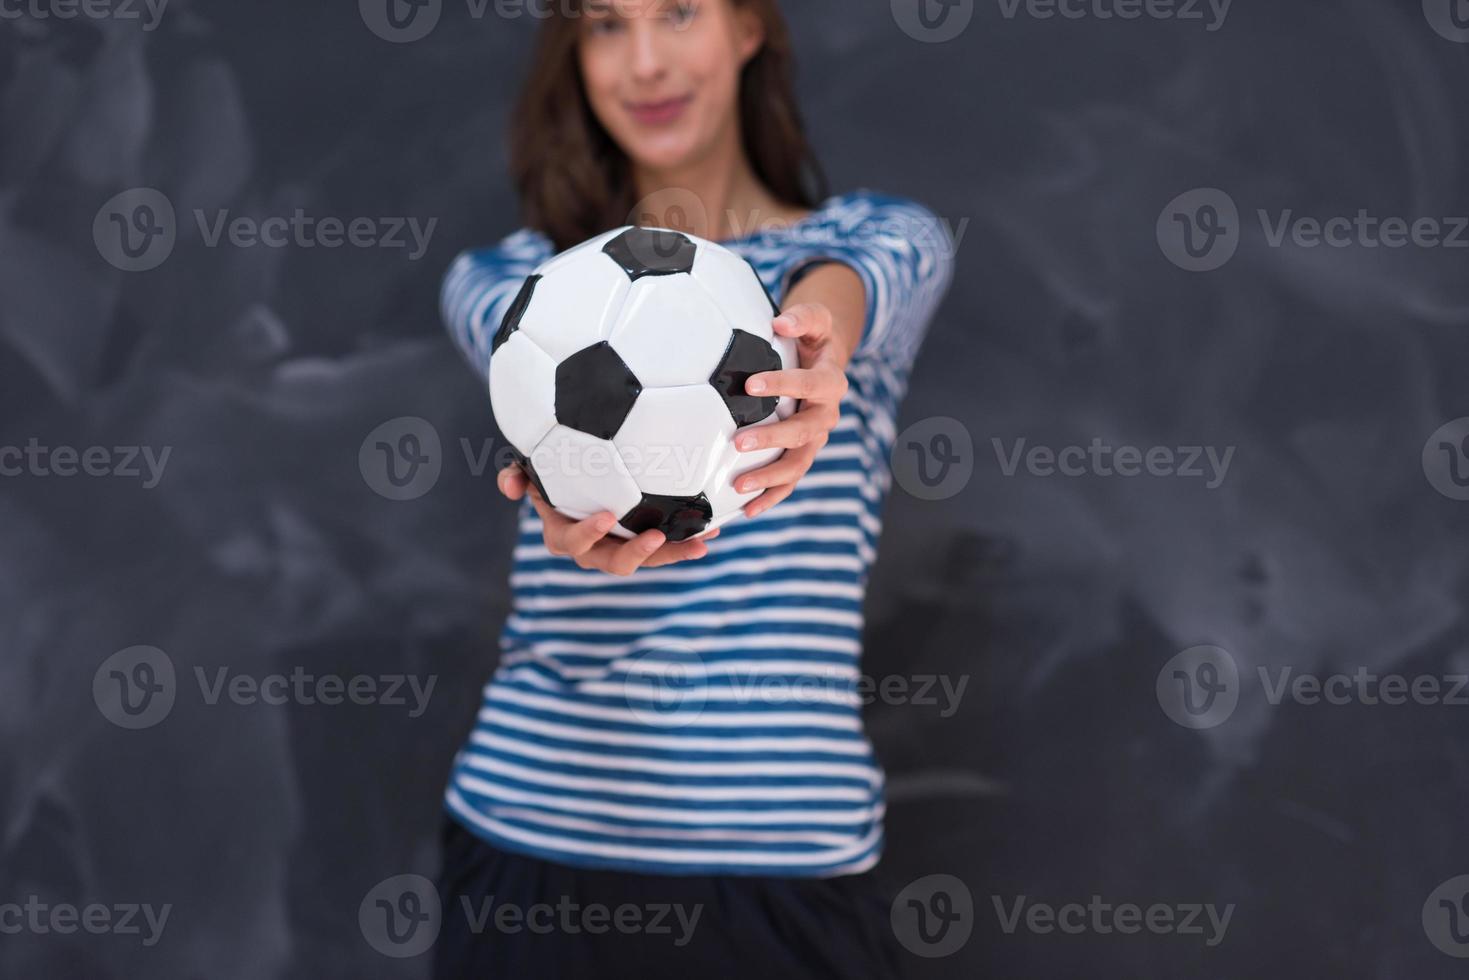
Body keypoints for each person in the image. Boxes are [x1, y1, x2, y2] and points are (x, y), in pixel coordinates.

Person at [433, 1, 954, 976]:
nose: (642, 63)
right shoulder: (512, 283)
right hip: (533, 848)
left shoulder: (871, 245)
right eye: (602, 25)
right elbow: (511, 333)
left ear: (748, 26)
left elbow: (857, 275)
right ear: (572, 52)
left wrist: (813, 338)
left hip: (784, 868)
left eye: (677, 13)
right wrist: (558, 509)